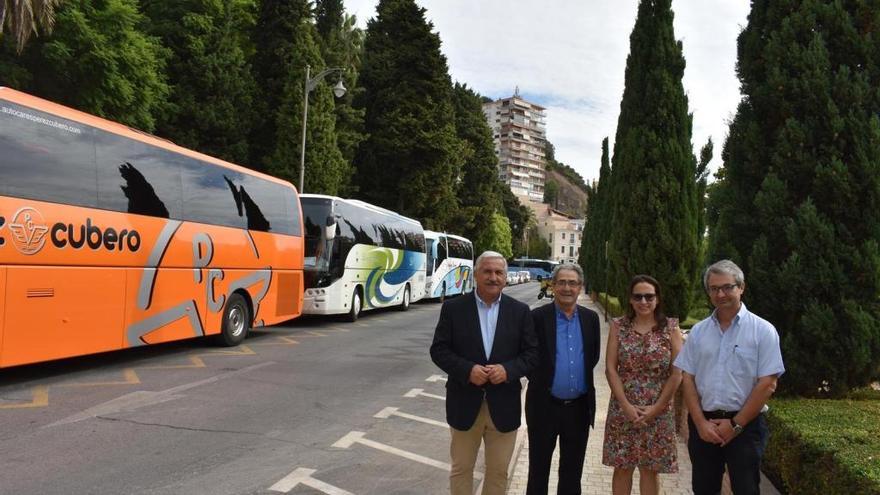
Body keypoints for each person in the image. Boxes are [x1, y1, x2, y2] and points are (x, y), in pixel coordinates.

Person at [430, 251, 539, 495]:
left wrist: (508, 370)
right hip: (464, 402)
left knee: (499, 472)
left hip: (504, 404)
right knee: (461, 469)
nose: (493, 277)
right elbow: (439, 350)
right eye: (487, 271)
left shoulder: (520, 312)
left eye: (499, 272)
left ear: (505, 277)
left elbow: (532, 354)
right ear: (476, 274)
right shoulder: (453, 309)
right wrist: (467, 370)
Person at [674, 260, 785, 495]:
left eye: (727, 287)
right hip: (704, 427)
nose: (720, 294)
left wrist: (735, 425)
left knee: (746, 490)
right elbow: (688, 379)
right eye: (714, 289)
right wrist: (700, 423)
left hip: (746, 428)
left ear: (741, 287)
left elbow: (768, 383)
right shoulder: (699, 332)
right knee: (704, 490)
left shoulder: (763, 331)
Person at [602, 275, 683, 495]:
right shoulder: (619, 326)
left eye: (649, 296)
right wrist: (626, 406)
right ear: (630, 299)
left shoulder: (671, 328)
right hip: (623, 408)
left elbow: (677, 373)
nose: (643, 301)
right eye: (638, 296)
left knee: (650, 470)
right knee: (622, 467)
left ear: (657, 299)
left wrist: (656, 409)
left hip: (658, 409)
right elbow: (610, 369)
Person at [525, 263, 601, 495]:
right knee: (538, 472)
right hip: (543, 406)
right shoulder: (537, 317)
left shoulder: (591, 319)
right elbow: (529, 358)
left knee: (572, 474)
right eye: (562, 282)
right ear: (553, 285)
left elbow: (593, 357)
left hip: (578, 409)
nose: (567, 287)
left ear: (580, 287)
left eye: (573, 283)